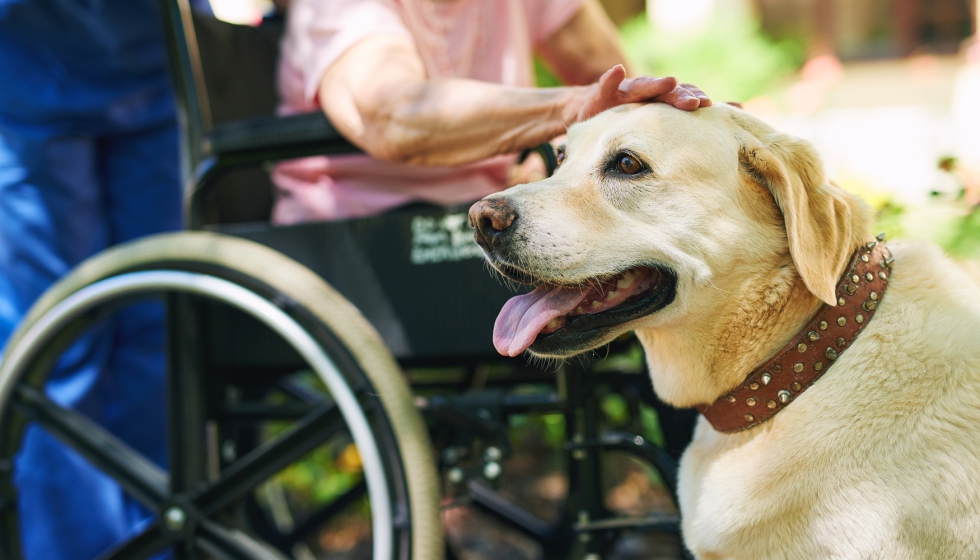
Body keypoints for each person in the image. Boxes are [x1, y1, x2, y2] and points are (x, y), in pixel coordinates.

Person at [0, 0, 205, 557]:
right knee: (57, 343)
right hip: (25, 66)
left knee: (159, 324)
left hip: (154, 60)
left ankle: (157, 541)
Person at [272, 0, 711, 224]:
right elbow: (395, 116)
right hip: (368, 226)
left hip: (499, 204)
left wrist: (554, 151)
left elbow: (614, 83)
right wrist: (567, 108)